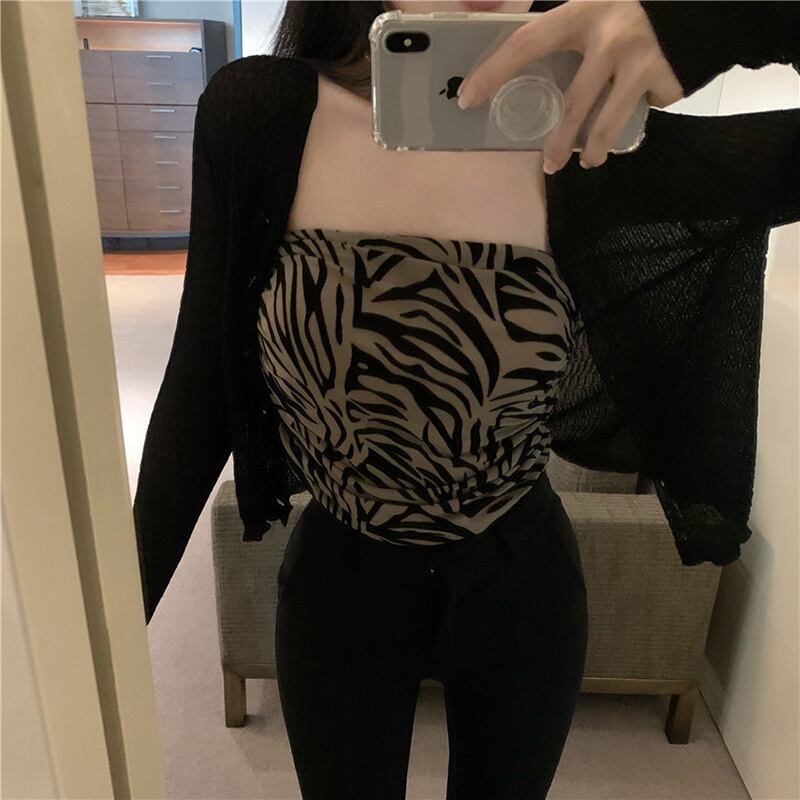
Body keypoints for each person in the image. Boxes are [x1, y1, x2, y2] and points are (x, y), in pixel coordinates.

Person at [132, 1, 798, 798]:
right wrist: (99, 645)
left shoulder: (586, 140)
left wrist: (716, 22)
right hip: (339, 588)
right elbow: (199, 391)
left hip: (522, 585)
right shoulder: (261, 114)